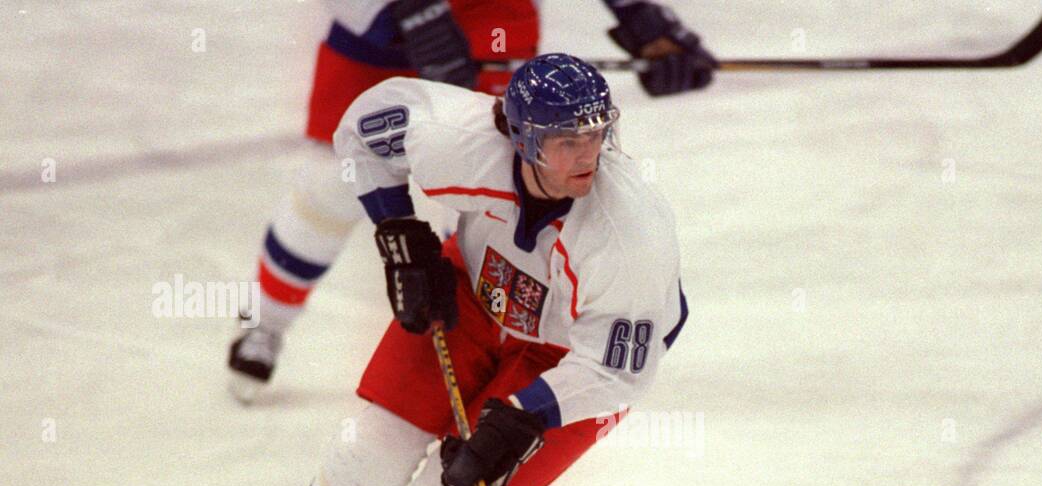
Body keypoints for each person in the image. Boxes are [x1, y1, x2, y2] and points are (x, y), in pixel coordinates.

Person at [231, 53, 688, 486]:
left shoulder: (629, 229)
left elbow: (619, 369)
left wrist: (521, 416)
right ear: (523, 138)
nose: (587, 153)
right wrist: (399, 232)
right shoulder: (461, 136)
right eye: (567, 141)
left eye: (596, 134)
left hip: (569, 364)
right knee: (367, 451)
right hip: (475, 298)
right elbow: (360, 129)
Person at [228, 0, 712, 401]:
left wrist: (641, 18)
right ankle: (265, 320)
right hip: (377, 30)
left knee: (488, 182)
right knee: (332, 182)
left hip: (493, 20)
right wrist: (412, 11)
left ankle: (479, 357)